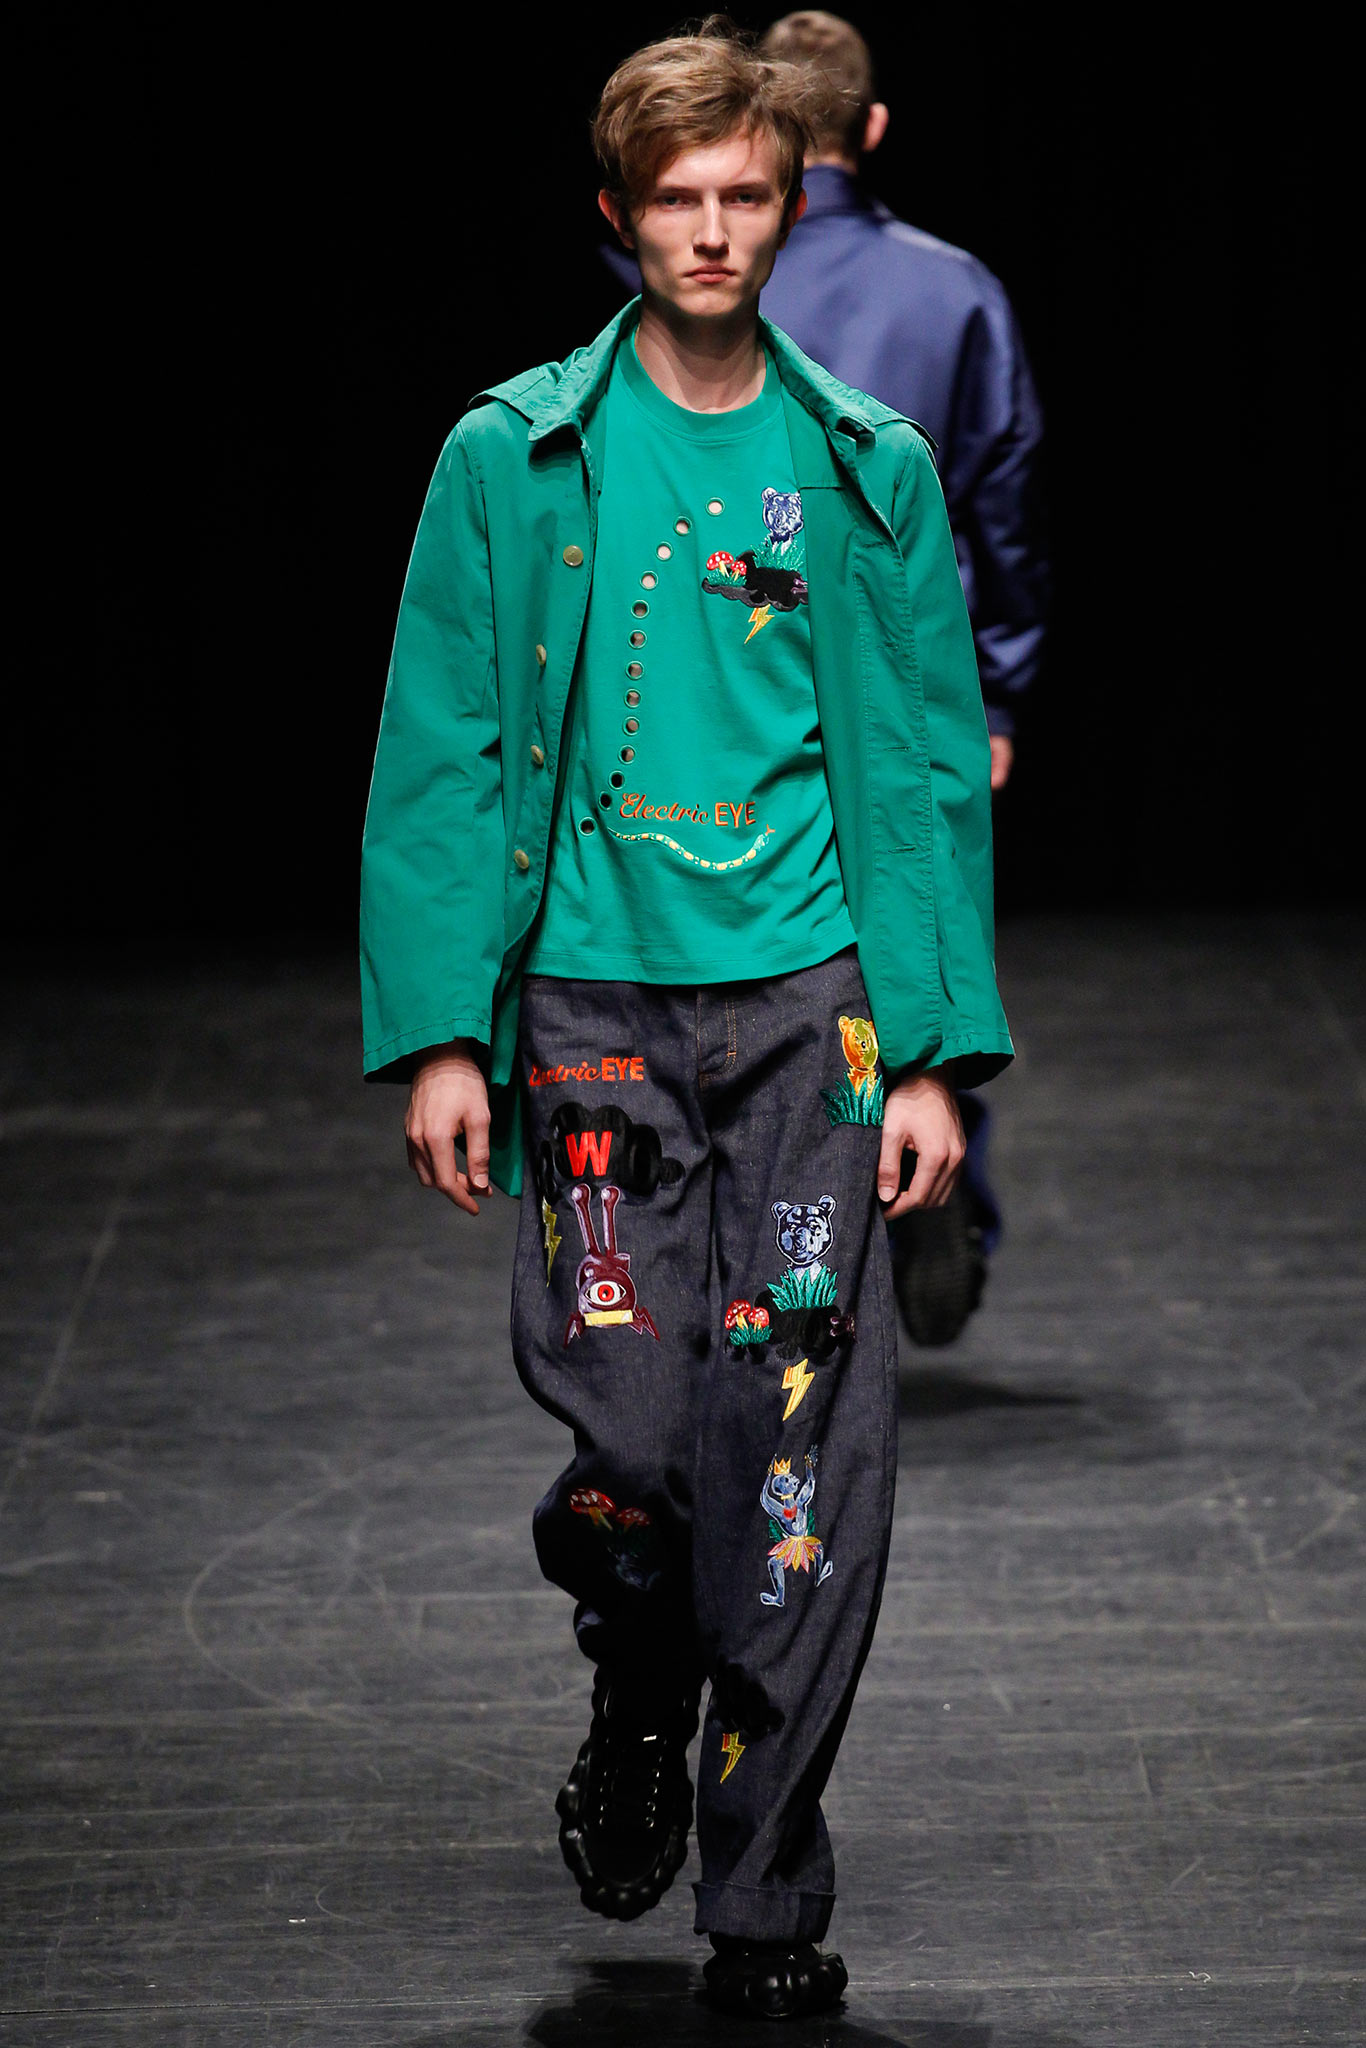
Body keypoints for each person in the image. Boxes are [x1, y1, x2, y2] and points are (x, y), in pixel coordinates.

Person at [360, 21, 1010, 2023]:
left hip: (813, 1016)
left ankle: (763, 1900)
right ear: (616, 216)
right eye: (676, 201)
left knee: (794, 1465)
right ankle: (639, 1666)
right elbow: (448, 746)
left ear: (789, 203)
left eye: (745, 196)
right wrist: (443, 1032)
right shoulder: (511, 455)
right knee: (635, 1444)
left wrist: (930, 1055)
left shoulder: (866, 467)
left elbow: (921, 769)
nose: (714, 232)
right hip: (588, 1006)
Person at [758, 11, 1049, 1350]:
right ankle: (930, 1172)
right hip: (914, 680)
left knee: (765, 954)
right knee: (916, 934)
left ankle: (787, 1243)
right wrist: (998, 690)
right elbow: (1002, 508)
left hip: (744, 674)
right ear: (872, 129)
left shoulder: (700, 288)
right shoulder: (956, 288)